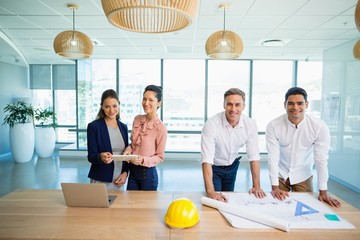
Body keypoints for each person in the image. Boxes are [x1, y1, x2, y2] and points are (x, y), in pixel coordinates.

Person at [266, 87, 341, 207]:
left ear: (306, 104)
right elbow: (273, 157)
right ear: (285, 105)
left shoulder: (319, 127)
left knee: (307, 209)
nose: (295, 107)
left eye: (300, 103)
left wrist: (323, 191)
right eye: (290, 103)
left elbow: (320, 160)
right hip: (281, 175)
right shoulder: (273, 125)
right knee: (278, 208)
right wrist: (274, 186)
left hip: (303, 175)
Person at [201, 88, 266, 202]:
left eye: (237, 105)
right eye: (229, 104)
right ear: (224, 105)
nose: (233, 109)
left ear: (243, 106)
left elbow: (254, 156)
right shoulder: (211, 124)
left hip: (232, 167)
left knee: (228, 198)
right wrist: (211, 191)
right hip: (214, 168)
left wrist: (257, 186)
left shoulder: (250, 124)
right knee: (215, 201)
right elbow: (207, 159)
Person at [123, 85, 167, 190]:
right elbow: (133, 144)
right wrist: (128, 150)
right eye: (144, 99)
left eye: (151, 100)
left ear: (159, 103)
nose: (146, 103)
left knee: (147, 206)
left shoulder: (161, 128)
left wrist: (142, 160)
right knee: (131, 205)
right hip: (132, 172)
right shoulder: (137, 119)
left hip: (147, 175)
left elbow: (160, 157)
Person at [87, 89, 129, 190]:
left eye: (114, 106)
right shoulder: (94, 127)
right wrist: (101, 156)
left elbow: (126, 154)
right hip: (101, 179)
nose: (111, 110)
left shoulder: (123, 127)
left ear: (119, 105)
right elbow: (91, 156)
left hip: (119, 180)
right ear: (102, 106)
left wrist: (125, 173)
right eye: (107, 107)